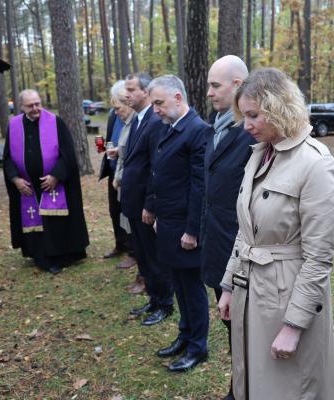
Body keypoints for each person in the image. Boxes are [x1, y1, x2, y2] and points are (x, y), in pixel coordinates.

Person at [218, 68, 334, 400]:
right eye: (244, 115)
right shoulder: (258, 154)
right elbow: (246, 230)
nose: (247, 125)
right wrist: (228, 285)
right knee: (253, 383)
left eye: (254, 115)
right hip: (250, 290)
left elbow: (319, 259)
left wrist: (294, 325)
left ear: (279, 107)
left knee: (287, 387)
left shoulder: (315, 164)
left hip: (286, 296)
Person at [147, 75, 211, 372]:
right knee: (179, 285)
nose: (155, 109)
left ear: (177, 97)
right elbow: (161, 174)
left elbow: (200, 186)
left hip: (186, 227)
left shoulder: (197, 130)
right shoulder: (169, 128)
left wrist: (192, 230)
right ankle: (185, 335)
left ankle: (198, 346)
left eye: (158, 103)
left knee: (192, 287)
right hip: (168, 223)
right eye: (153, 104)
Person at [202, 55, 254, 400]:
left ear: (238, 86)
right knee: (230, 329)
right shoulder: (218, 123)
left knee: (246, 332)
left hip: (240, 253)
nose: (208, 92)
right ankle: (239, 387)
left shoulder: (251, 132)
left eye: (215, 85)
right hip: (216, 246)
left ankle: (244, 391)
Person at [3, 89, 89, 274]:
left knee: (54, 222)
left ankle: (59, 256)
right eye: (30, 105)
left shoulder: (55, 122)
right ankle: (38, 254)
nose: (35, 108)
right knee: (36, 221)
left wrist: (55, 176)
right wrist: (15, 179)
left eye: (38, 103)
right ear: (21, 106)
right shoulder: (14, 125)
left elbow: (68, 154)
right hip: (28, 187)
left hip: (52, 184)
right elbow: (8, 158)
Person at [120, 72, 174, 326]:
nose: (126, 94)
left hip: (145, 205)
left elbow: (156, 166)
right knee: (142, 255)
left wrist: (150, 205)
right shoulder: (138, 119)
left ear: (146, 92)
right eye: (126, 90)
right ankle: (154, 297)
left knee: (153, 257)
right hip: (133, 203)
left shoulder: (154, 121)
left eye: (131, 89)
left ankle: (164, 302)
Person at [98, 81, 137, 270]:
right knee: (114, 211)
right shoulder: (114, 117)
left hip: (126, 174)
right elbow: (110, 139)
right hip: (113, 169)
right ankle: (119, 244)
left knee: (126, 213)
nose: (115, 111)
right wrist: (106, 149)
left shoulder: (136, 120)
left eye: (118, 106)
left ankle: (132, 251)